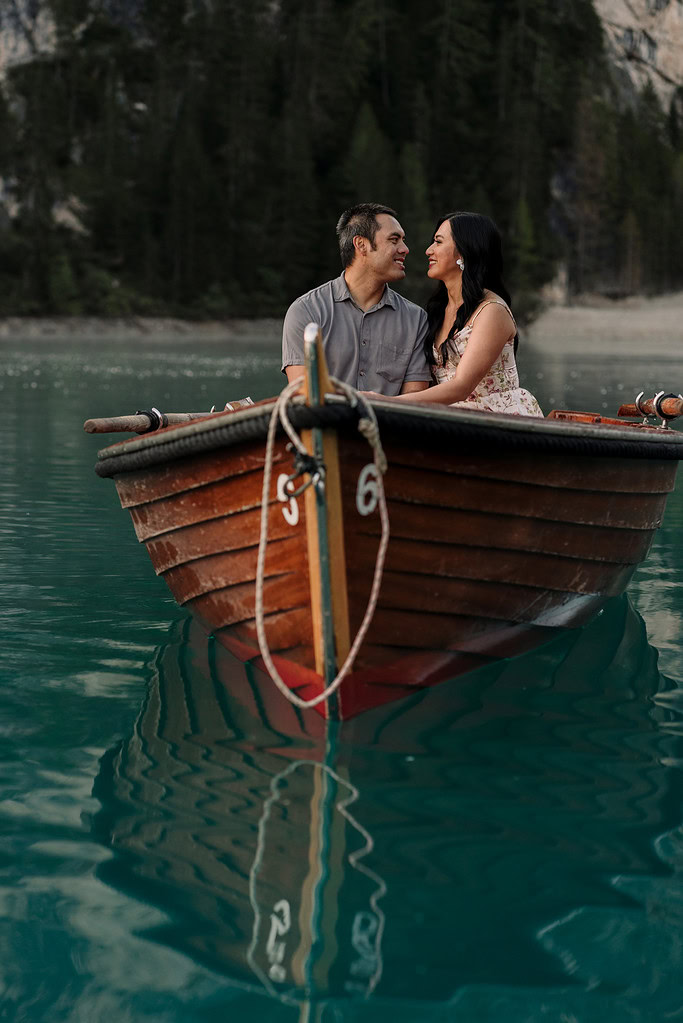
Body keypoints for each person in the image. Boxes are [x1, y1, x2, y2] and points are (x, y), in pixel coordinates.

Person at [364, 211, 543, 416]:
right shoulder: (437, 311)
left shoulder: (491, 311)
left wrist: (387, 402)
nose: (428, 250)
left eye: (438, 242)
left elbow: (461, 386)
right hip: (453, 419)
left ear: (463, 253)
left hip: (497, 420)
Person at [281, 203, 431, 396]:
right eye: (394, 240)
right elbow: (303, 396)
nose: (405, 249)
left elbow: (413, 404)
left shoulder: (416, 320)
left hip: (388, 426)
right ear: (361, 244)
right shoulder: (305, 311)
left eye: (403, 240)